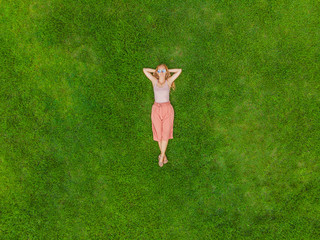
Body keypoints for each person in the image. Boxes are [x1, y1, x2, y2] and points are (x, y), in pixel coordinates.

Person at [143, 64, 182, 167]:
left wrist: (167, 70)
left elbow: (179, 70)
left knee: (165, 134)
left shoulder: (168, 82)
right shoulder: (154, 81)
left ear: (166, 73)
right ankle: (163, 157)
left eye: (163, 71)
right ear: (157, 73)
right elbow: (144, 70)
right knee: (158, 134)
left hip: (167, 109)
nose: (161, 73)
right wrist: (155, 71)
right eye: (159, 71)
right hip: (156, 109)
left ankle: (162, 156)